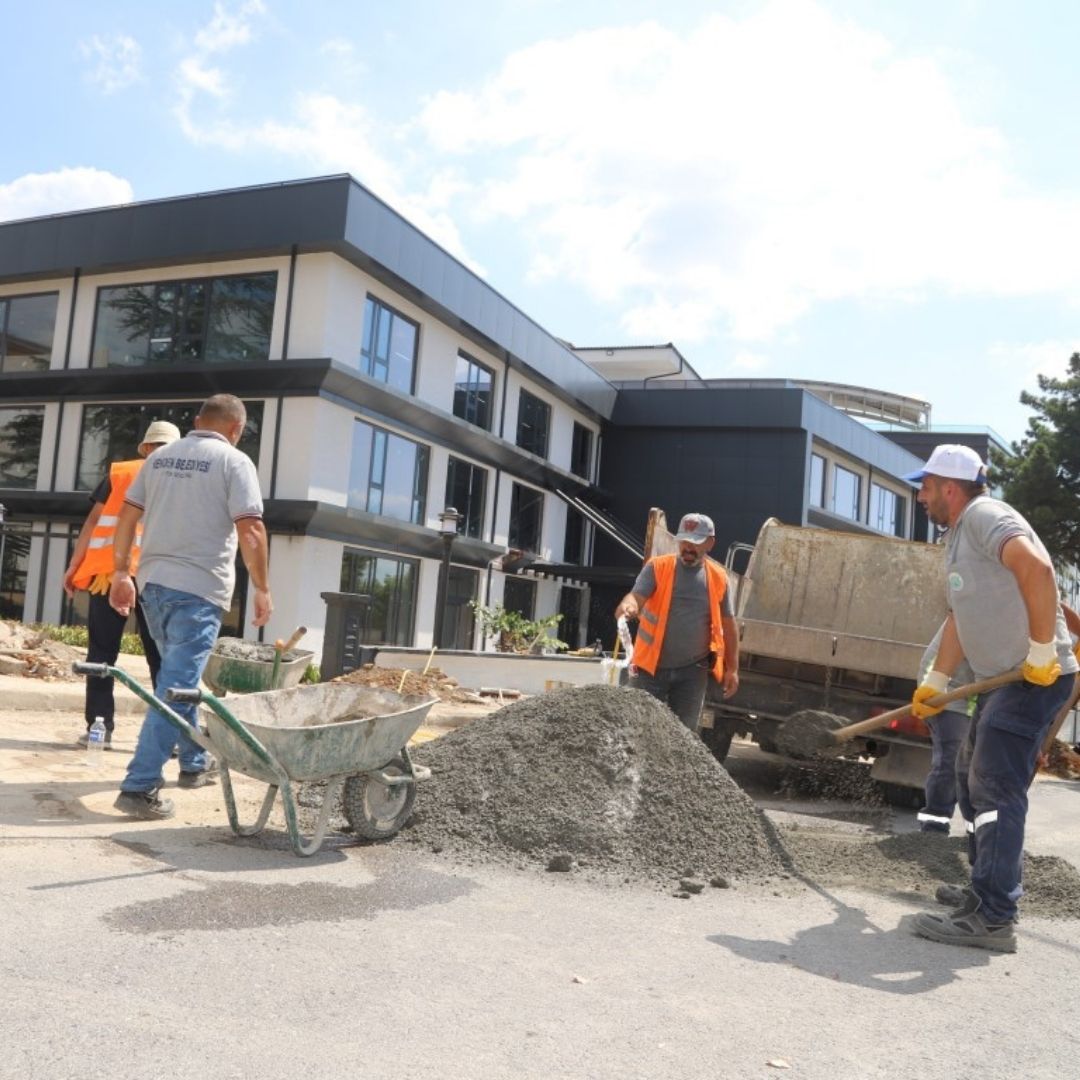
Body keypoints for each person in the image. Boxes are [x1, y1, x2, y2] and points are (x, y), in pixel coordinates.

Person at [905, 444, 1078, 952]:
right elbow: (962, 616)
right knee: (971, 780)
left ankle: (995, 916)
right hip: (1003, 680)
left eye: (927, 486)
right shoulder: (957, 536)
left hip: (1032, 677)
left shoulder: (985, 515)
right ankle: (985, 887)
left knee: (995, 786)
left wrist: (1044, 648)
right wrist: (938, 681)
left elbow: (1039, 570)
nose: (921, 495)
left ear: (951, 489)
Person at [108, 394, 273, 821]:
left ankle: (194, 763)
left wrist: (121, 573)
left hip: (154, 586)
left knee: (178, 679)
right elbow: (251, 529)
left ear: (198, 420)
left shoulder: (160, 458)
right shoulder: (235, 462)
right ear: (237, 429)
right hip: (198, 590)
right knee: (178, 688)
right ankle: (139, 786)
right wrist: (262, 587)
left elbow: (127, 518)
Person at [63, 420, 181, 749]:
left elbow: (93, 521)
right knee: (161, 657)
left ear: (145, 447)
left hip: (109, 576)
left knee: (102, 654)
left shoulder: (120, 473)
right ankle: (167, 736)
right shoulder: (182, 480)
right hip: (156, 579)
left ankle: (99, 728)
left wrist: (74, 564)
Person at [614, 512, 739, 732]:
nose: (688, 548)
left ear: (710, 543)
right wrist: (628, 606)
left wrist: (733, 669)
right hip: (649, 668)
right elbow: (634, 597)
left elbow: (729, 625)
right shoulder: (657, 568)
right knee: (636, 729)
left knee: (684, 737)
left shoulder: (719, 579)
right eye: (684, 541)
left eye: (696, 543)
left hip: (693, 672)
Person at [914, 621, 976, 834]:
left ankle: (978, 835)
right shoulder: (991, 601)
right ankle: (933, 828)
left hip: (974, 694)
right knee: (952, 761)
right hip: (946, 688)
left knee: (979, 767)